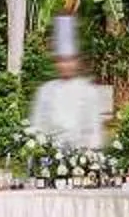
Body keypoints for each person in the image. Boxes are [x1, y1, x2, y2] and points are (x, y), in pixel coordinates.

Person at [27, 14, 113, 151]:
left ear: (77, 61)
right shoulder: (45, 90)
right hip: (50, 157)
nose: (65, 65)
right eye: (61, 60)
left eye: (69, 60)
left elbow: (94, 131)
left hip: (81, 157)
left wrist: (87, 156)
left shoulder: (88, 91)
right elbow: (37, 126)